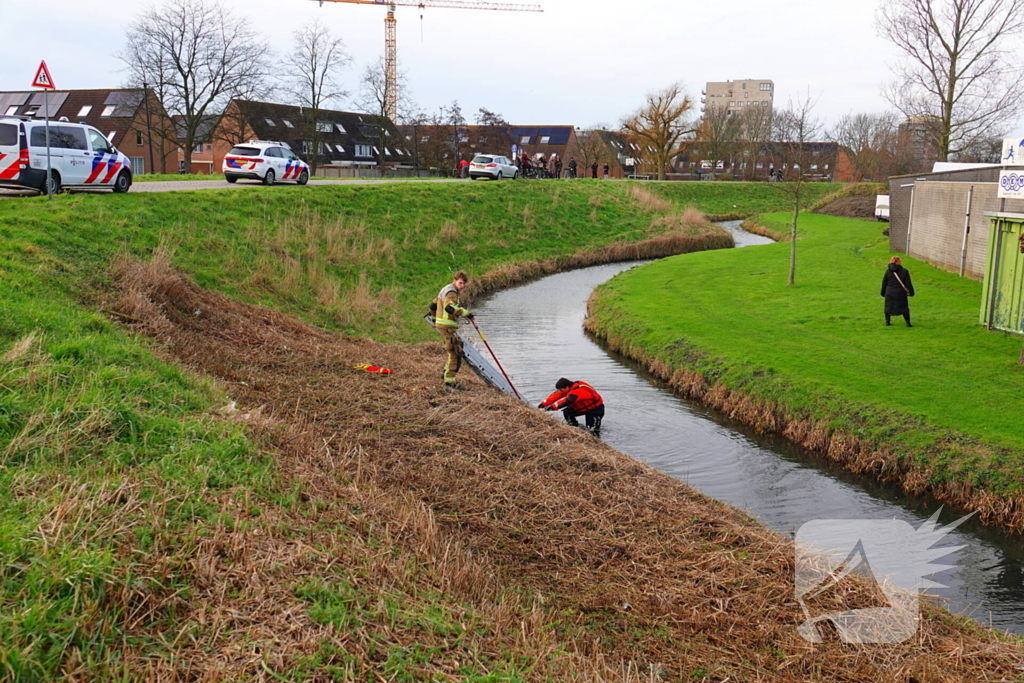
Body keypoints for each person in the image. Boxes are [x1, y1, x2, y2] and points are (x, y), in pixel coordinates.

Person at [433, 271, 473, 388]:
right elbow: (449, 308)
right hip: (447, 326)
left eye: (464, 284)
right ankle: (449, 381)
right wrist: (466, 313)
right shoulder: (452, 293)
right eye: (460, 283)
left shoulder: (445, 289)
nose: (462, 286)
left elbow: (432, 305)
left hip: (442, 325)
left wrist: (435, 319)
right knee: (454, 352)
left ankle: (445, 373)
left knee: (453, 349)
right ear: (454, 280)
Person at [538, 378, 605, 436]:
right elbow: (555, 396)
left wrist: (546, 409)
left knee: (592, 430)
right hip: (583, 407)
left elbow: (567, 401)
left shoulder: (578, 390)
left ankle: (596, 441)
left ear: (566, 387)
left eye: (561, 390)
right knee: (567, 412)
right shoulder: (567, 388)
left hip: (596, 409)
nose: (560, 392)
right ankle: (574, 428)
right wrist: (541, 406)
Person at [881, 256, 915, 327]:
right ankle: (908, 323)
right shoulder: (904, 271)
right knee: (904, 307)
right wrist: (911, 292)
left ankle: (887, 322)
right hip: (900, 292)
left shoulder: (888, 271)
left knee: (888, 306)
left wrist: (883, 292)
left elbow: (884, 282)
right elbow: (908, 283)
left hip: (889, 291)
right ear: (899, 262)